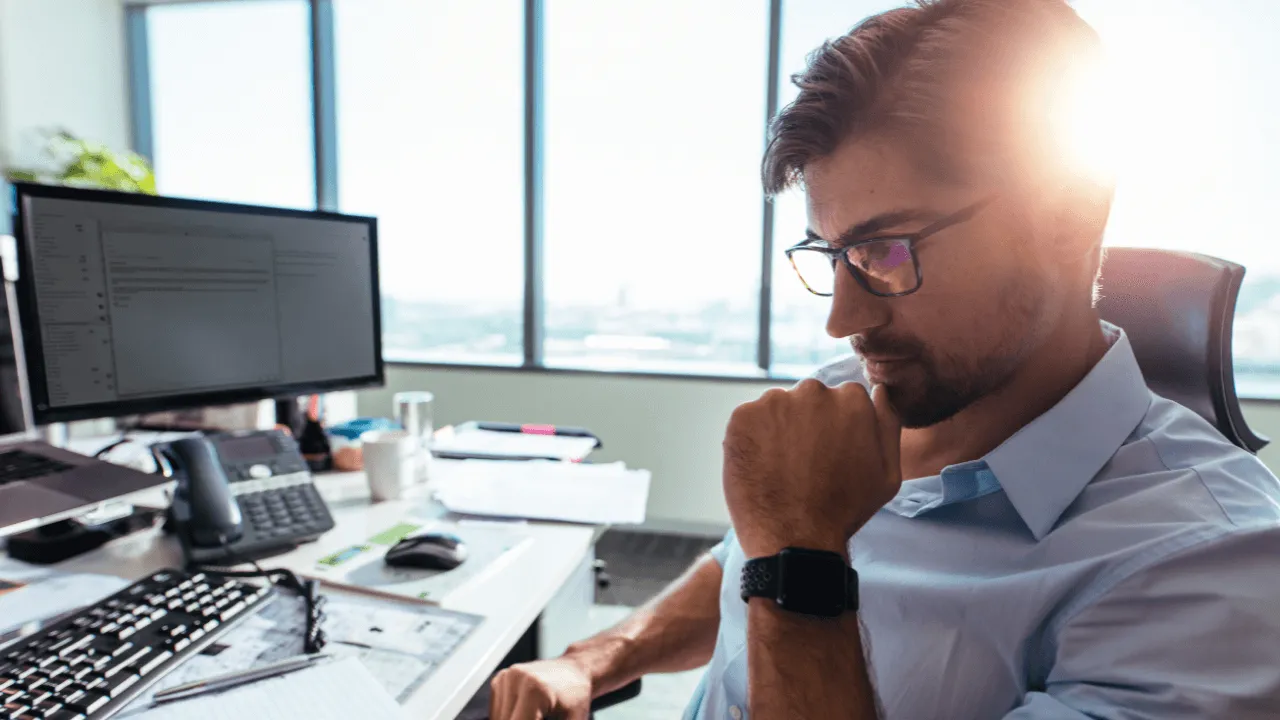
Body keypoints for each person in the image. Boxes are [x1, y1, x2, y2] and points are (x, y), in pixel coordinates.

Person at [488, 0, 1280, 717]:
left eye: (887, 249)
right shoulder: (857, 397)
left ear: (1068, 220)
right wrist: (596, 658)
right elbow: (734, 571)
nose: (841, 321)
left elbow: (777, 566)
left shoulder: (1210, 571)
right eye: (831, 254)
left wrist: (802, 559)